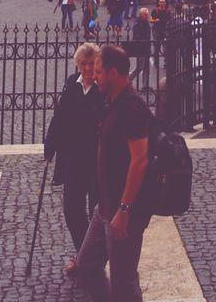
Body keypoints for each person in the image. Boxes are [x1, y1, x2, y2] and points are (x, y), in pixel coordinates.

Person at [75, 45, 154, 302]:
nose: (93, 75)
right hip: (106, 206)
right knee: (86, 265)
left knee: (124, 282)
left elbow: (140, 160)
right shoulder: (112, 100)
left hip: (124, 210)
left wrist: (125, 209)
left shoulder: (132, 107)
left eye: (98, 71)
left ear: (113, 73)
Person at [44, 42, 104, 277]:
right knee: (72, 209)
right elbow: (60, 115)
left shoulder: (103, 89)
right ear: (77, 64)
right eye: (84, 64)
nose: (88, 69)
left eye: (92, 64)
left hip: (97, 160)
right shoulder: (72, 83)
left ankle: (91, 260)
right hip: (73, 159)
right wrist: (50, 143)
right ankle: (84, 255)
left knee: (96, 212)